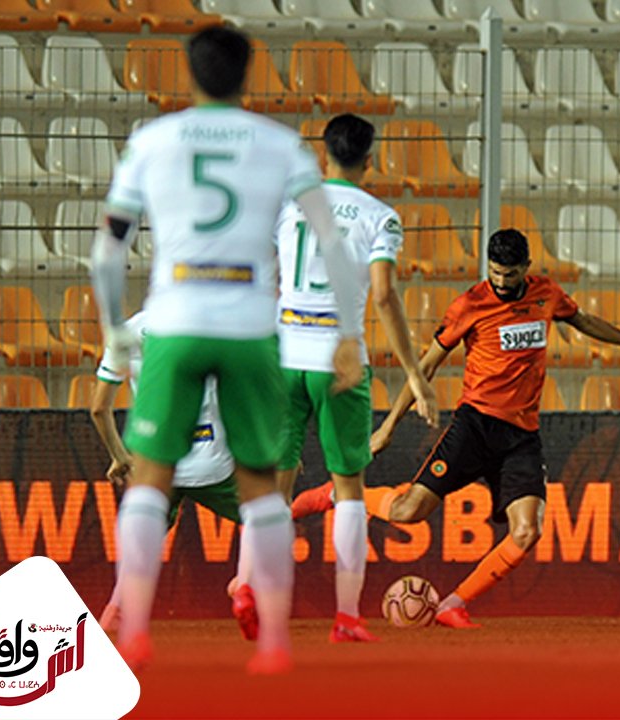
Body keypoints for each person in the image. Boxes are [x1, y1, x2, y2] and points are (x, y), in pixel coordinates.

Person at [89, 26, 365, 674]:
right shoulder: (281, 146)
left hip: (176, 317)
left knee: (149, 485)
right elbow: (330, 244)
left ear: (189, 73)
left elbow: (108, 247)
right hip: (249, 324)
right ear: (249, 75)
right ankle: (271, 641)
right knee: (263, 493)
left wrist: (113, 326)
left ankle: (134, 632)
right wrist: (348, 335)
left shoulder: (152, 142)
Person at [366, 228, 620, 628]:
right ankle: (351, 498)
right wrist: (389, 426)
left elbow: (583, 320)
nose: (501, 282)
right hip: (475, 425)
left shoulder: (545, 293)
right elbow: (425, 365)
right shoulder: (470, 305)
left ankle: (452, 605)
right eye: (495, 272)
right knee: (408, 512)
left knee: (527, 531)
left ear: (525, 269)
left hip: (521, 436)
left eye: (510, 274)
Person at [272, 113, 438, 643]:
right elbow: (384, 295)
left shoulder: (289, 205)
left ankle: (250, 586)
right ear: (371, 159)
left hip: (283, 353)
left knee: (275, 483)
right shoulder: (380, 217)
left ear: (324, 156)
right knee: (349, 489)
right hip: (339, 359)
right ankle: (346, 616)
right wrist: (416, 375)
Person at [89, 311, 256, 641]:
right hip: (212, 461)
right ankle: (244, 586)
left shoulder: (126, 334)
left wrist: (120, 456)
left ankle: (115, 608)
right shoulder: (214, 325)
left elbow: (98, 409)